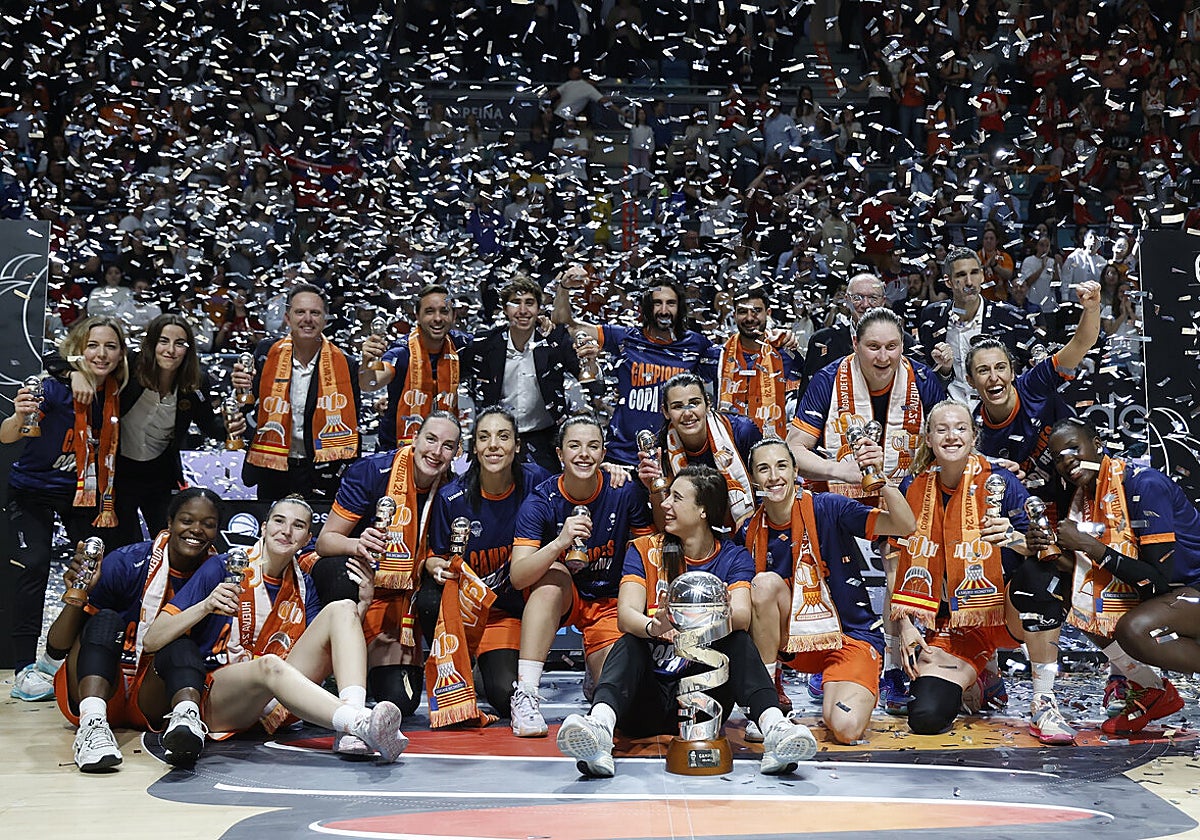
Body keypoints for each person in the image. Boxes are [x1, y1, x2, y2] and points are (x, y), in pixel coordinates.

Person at [555, 464, 820, 777]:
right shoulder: (643, 550)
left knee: (737, 641)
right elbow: (627, 616)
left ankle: (774, 728)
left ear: (703, 510)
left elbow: (741, 616)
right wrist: (656, 625)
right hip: (646, 701)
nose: (665, 504)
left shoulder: (732, 557)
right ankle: (599, 727)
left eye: (676, 498)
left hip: (704, 698)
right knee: (631, 642)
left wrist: (686, 622)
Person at [142, 495, 407, 762]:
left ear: (307, 540)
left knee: (343, 608)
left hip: (274, 693)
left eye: (298, 526)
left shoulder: (303, 585)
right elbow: (152, 640)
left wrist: (363, 604)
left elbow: (322, 653)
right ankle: (360, 722)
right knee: (268, 664)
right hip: (219, 696)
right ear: (264, 528)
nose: (286, 531)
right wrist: (206, 605)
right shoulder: (222, 566)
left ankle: (352, 728)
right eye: (279, 521)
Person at [889, 401, 1063, 740]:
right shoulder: (914, 486)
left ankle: (1044, 700)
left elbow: (1042, 547)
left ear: (973, 436)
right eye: (942, 429)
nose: (951, 436)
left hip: (1003, 612)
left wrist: (1012, 538)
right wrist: (906, 624)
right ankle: (985, 673)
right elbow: (896, 557)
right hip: (952, 622)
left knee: (1039, 581)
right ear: (928, 438)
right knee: (925, 716)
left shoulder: (1001, 481)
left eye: (960, 428)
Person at [740, 439, 916, 745]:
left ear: (796, 471)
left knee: (845, 729)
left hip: (851, 635)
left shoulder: (828, 507)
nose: (774, 477)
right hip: (795, 640)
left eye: (782, 466)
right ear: (753, 478)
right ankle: (766, 702)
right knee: (763, 585)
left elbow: (904, 525)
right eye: (763, 469)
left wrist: (883, 482)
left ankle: (840, 685)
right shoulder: (750, 530)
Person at [1028, 419, 1195, 735]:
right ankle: (1151, 688)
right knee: (1071, 593)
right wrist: (1049, 550)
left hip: (1187, 587)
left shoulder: (1144, 485)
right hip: (1171, 594)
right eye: (1058, 457)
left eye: (1074, 449)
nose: (1067, 461)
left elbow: (1157, 580)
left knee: (1134, 630)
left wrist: (1088, 546)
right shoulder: (1086, 499)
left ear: (1098, 445)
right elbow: (1094, 572)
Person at [46, 488, 222, 771]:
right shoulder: (126, 562)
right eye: (187, 520)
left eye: (208, 524)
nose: (196, 530)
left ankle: (185, 724)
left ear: (217, 532)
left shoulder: (218, 576)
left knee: (180, 642)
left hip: (152, 697)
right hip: (100, 681)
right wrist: (78, 595)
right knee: (106, 620)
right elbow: (56, 648)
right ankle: (92, 728)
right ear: (169, 522)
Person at [3, 315, 129, 702]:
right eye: (93, 345)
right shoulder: (53, 388)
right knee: (35, 562)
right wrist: (21, 414)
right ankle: (23, 666)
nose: (102, 354)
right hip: (32, 491)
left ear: (121, 353)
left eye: (110, 346)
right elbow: (8, 435)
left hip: (87, 497)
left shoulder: (119, 389)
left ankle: (67, 658)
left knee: (94, 572)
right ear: (78, 348)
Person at [508, 414, 654, 737]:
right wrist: (559, 542)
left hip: (609, 603)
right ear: (559, 454)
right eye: (574, 446)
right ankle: (527, 694)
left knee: (619, 698)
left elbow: (647, 552)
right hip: (565, 595)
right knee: (549, 578)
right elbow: (518, 576)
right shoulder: (540, 501)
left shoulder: (623, 491)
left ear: (604, 454)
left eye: (593, 446)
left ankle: (594, 669)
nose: (583, 454)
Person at [313, 411, 462, 716]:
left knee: (401, 703)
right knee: (342, 573)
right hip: (357, 581)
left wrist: (432, 564)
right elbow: (325, 541)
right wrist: (358, 544)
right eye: (430, 439)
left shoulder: (453, 490)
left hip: (402, 598)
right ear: (414, 438)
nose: (436, 452)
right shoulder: (371, 471)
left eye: (447, 446)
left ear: (456, 453)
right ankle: (329, 672)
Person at [53, 313, 230, 547]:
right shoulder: (130, 365)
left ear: (188, 349)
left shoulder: (196, 382)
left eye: (180, 344)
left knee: (166, 544)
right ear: (152, 343)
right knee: (123, 547)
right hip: (119, 473)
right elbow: (53, 358)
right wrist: (73, 373)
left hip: (160, 474)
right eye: (163, 341)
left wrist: (235, 423)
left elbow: (213, 428)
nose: (171, 350)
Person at [422, 406, 552, 718]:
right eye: (484, 437)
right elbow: (435, 556)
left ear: (517, 446)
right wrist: (434, 566)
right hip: (465, 612)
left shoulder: (539, 483)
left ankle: (488, 667)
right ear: (474, 447)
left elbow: (578, 486)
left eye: (503, 436)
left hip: (508, 613)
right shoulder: (451, 498)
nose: (493, 444)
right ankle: (460, 664)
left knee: (504, 695)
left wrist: (612, 469)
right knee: (428, 598)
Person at [554, 269, 720, 466]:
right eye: (657, 303)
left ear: (680, 308)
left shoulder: (697, 344)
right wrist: (563, 288)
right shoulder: (625, 337)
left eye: (671, 303)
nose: (664, 310)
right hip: (621, 458)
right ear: (647, 307)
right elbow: (565, 324)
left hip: (674, 457)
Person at [232, 283, 362, 503]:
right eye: (300, 312)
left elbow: (353, 421)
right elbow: (246, 405)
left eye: (315, 313)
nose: (308, 319)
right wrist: (239, 388)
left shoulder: (346, 364)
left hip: (321, 471)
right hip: (273, 467)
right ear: (287, 317)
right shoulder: (266, 353)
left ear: (325, 319)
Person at [966, 280, 1102, 487]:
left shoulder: (1034, 384)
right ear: (970, 381)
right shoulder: (977, 433)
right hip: (1041, 502)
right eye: (983, 371)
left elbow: (1081, 343)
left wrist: (1092, 308)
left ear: (1013, 372)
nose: (994, 377)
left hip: (1089, 478)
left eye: (1000, 367)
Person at [460, 277, 580, 472]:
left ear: (539, 309)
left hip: (544, 439)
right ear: (505, 309)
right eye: (516, 303)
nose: (523, 311)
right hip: (496, 437)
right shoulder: (485, 344)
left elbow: (583, 375)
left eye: (530, 303)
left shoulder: (553, 342)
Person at [638, 372, 760, 530]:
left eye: (694, 403)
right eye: (677, 406)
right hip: (694, 539)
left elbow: (765, 490)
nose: (687, 413)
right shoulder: (660, 452)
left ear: (708, 404)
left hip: (748, 529)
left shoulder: (742, 431)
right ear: (666, 412)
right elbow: (666, 527)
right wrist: (654, 488)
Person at [360, 283, 470, 452]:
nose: (438, 318)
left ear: (454, 316)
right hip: (397, 450)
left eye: (444, 311)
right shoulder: (402, 351)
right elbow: (370, 384)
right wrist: (367, 363)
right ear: (417, 316)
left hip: (444, 450)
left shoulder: (461, 346)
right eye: (429, 311)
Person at [919, 247, 1035, 403]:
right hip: (949, 414)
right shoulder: (932, 316)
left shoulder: (1011, 317)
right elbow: (925, 373)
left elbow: (1030, 368)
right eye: (961, 275)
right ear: (948, 281)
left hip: (997, 416)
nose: (969, 282)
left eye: (974, 273)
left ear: (982, 275)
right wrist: (944, 371)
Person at [716, 286, 802, 440]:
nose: (749, 318)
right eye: (742, 312)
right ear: (734, 315)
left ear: (768, 313)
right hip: (729, 446)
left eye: (756, 311)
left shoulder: (786, 352)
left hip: (772, 449)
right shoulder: (720, 356)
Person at [802, 273, 917, 384]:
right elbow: (808, 395)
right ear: (847, 300)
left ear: (883, 302)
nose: (865, 304)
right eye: (857, 297)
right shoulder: (823, 340)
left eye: (873, 298)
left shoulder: (903, 340)